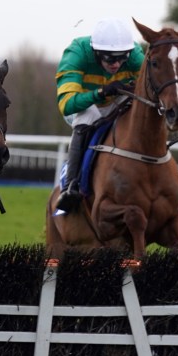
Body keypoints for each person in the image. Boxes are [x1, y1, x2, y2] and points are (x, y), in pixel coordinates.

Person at [53, 18, 144, 212]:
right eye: (110, 58)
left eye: (122, 58)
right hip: (83, 105)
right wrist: (101, 93)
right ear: (96, 52)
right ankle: (71, 186)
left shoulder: (136, 55)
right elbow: (67, 105)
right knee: (88, 117)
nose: (116, 64)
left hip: (118, 98)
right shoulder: (77, 53)